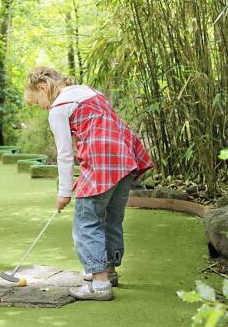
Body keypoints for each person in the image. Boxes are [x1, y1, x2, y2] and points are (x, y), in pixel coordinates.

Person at [24, 66, 153, 301]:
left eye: (37, 102)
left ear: (42, 88)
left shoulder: (59, 108)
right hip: (125, 158)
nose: (42, 107)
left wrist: (64, 192)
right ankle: (110, 271)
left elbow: (64, 155)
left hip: (101, 162)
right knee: (110, 218)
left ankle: (100, 284)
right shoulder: (87, 91)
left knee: (86, 223)